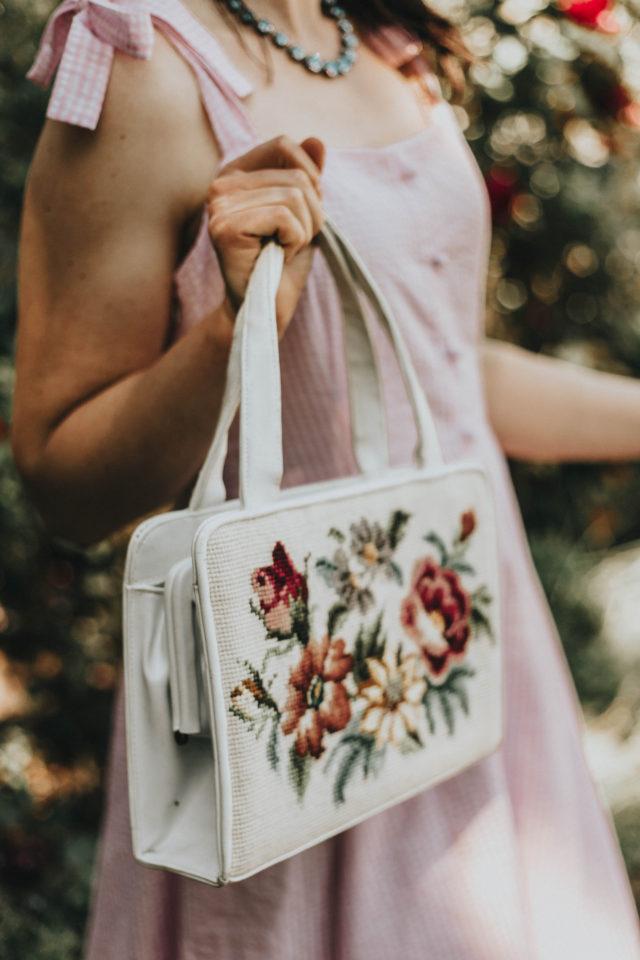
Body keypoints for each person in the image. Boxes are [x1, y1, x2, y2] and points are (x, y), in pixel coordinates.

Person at [11, 0, 640, 956]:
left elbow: (450, 371)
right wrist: (237, 330)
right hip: (300, 709)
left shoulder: (387, 37)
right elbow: (66, 480)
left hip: (461, 649)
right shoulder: (142, 57)